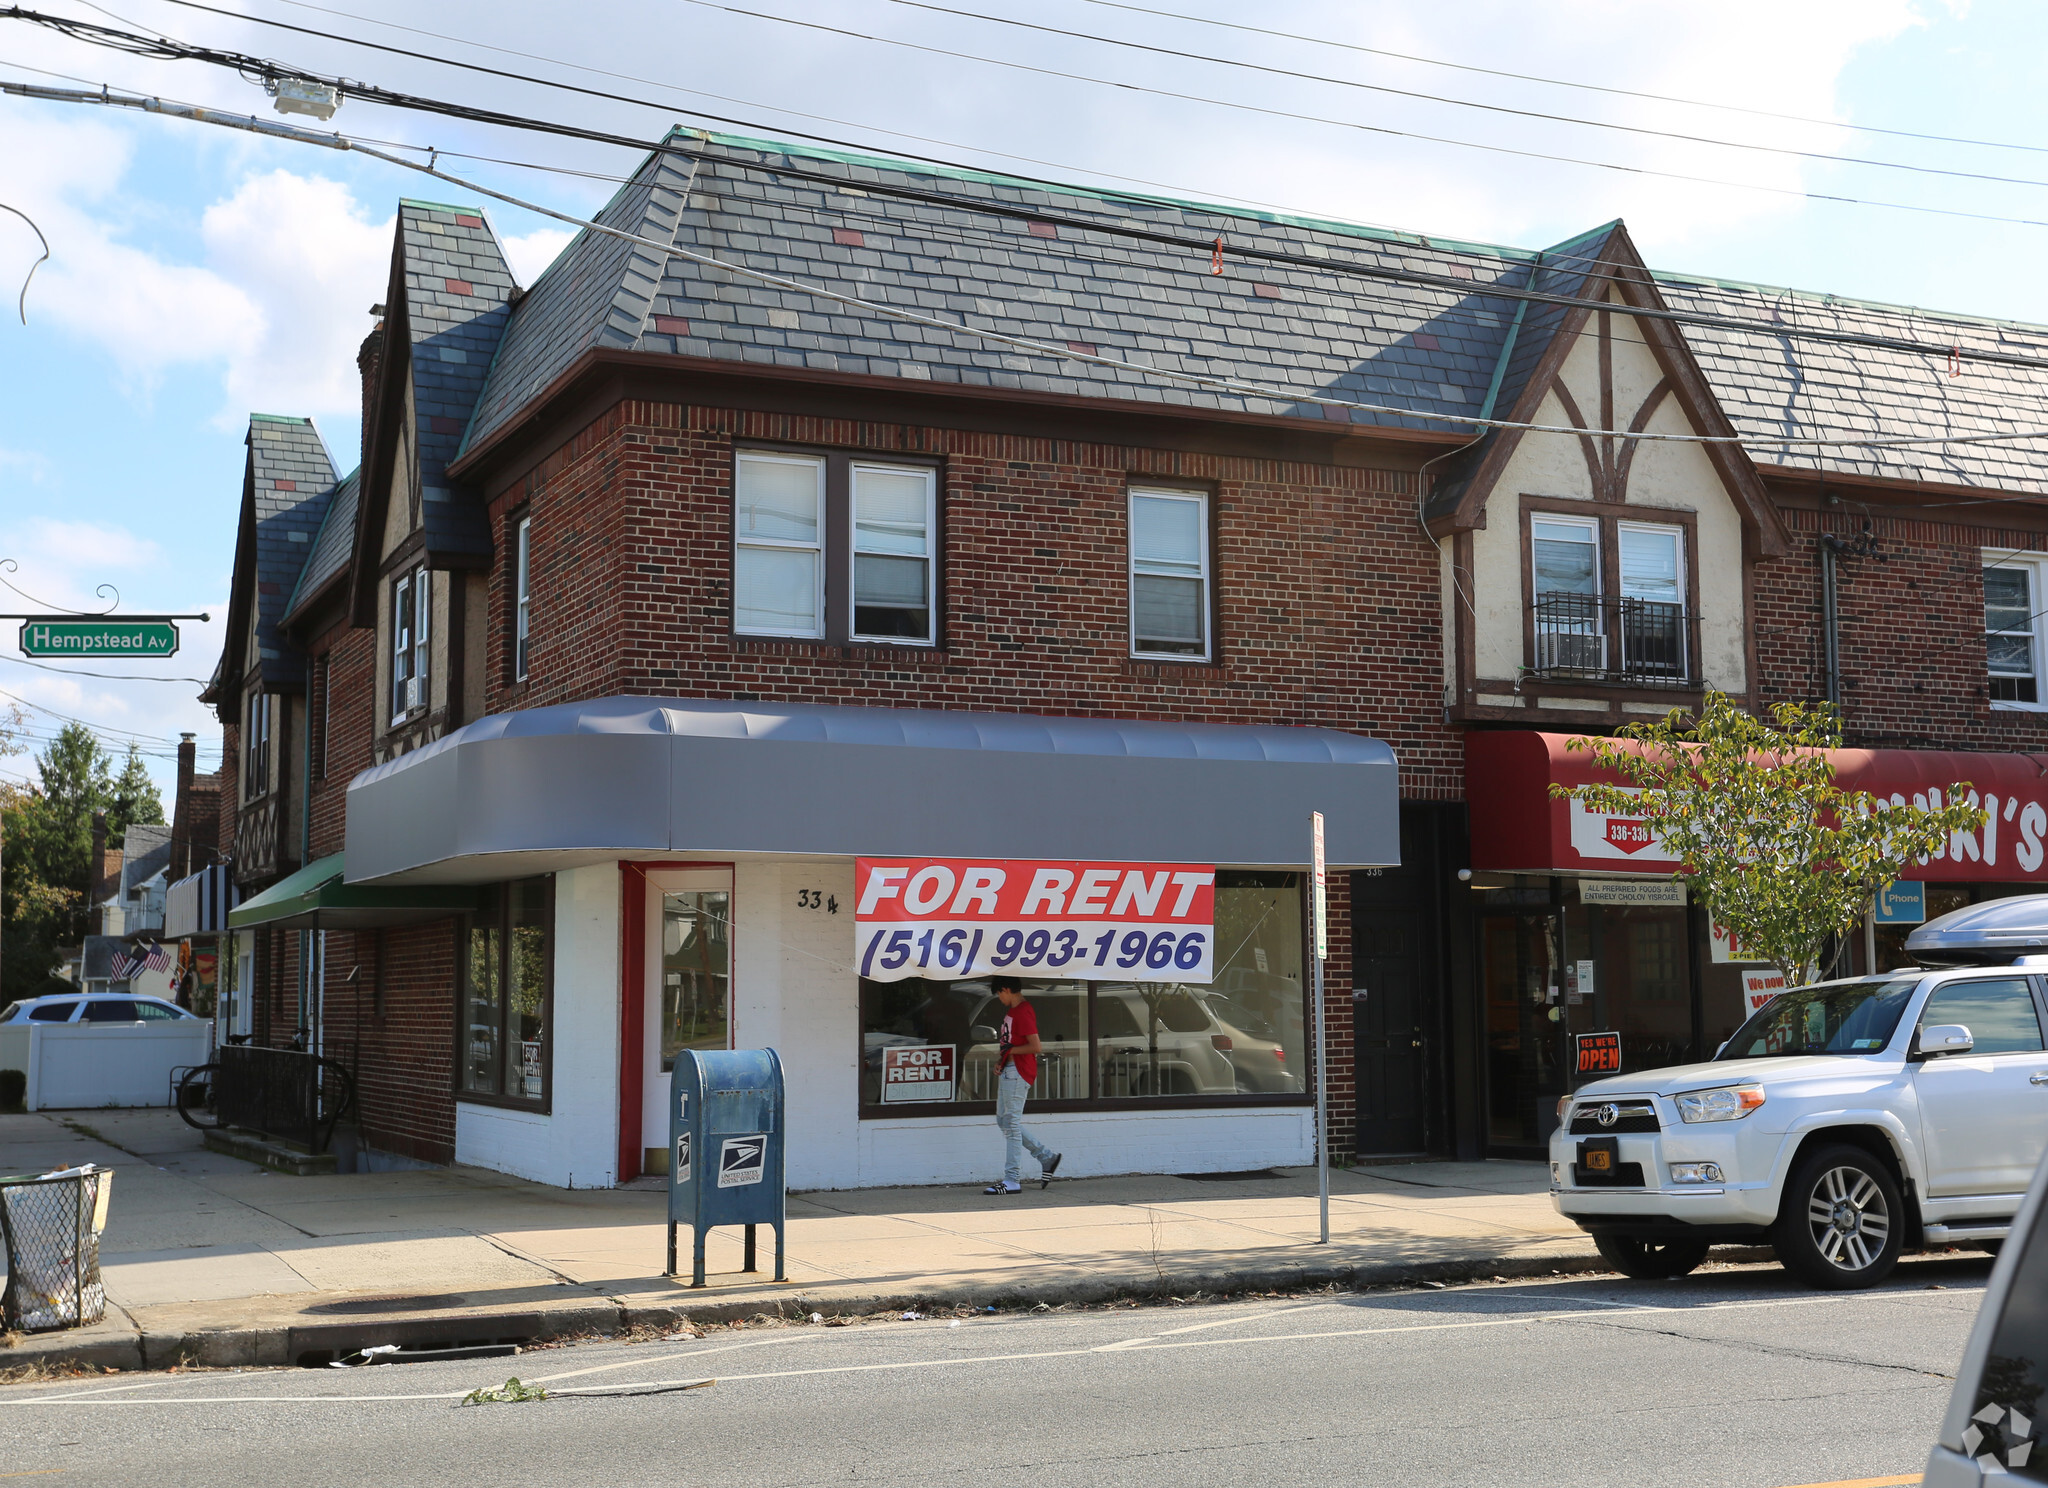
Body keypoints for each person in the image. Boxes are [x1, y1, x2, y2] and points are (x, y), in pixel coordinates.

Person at [985, 975, 1062, 1195]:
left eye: (999, 993)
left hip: (1018, 1073)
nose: (999, 998)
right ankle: (1047, 1158)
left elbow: (1035, 1046)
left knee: (1011, 1124)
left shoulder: (1023, 1011)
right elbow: (1011, 1043)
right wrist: (1002, 1060)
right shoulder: (1013, 1011)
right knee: (1004, 1121)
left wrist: (1008, 1054)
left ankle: (1012, 1180)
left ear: (1007, 989)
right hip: (1009, 1070)